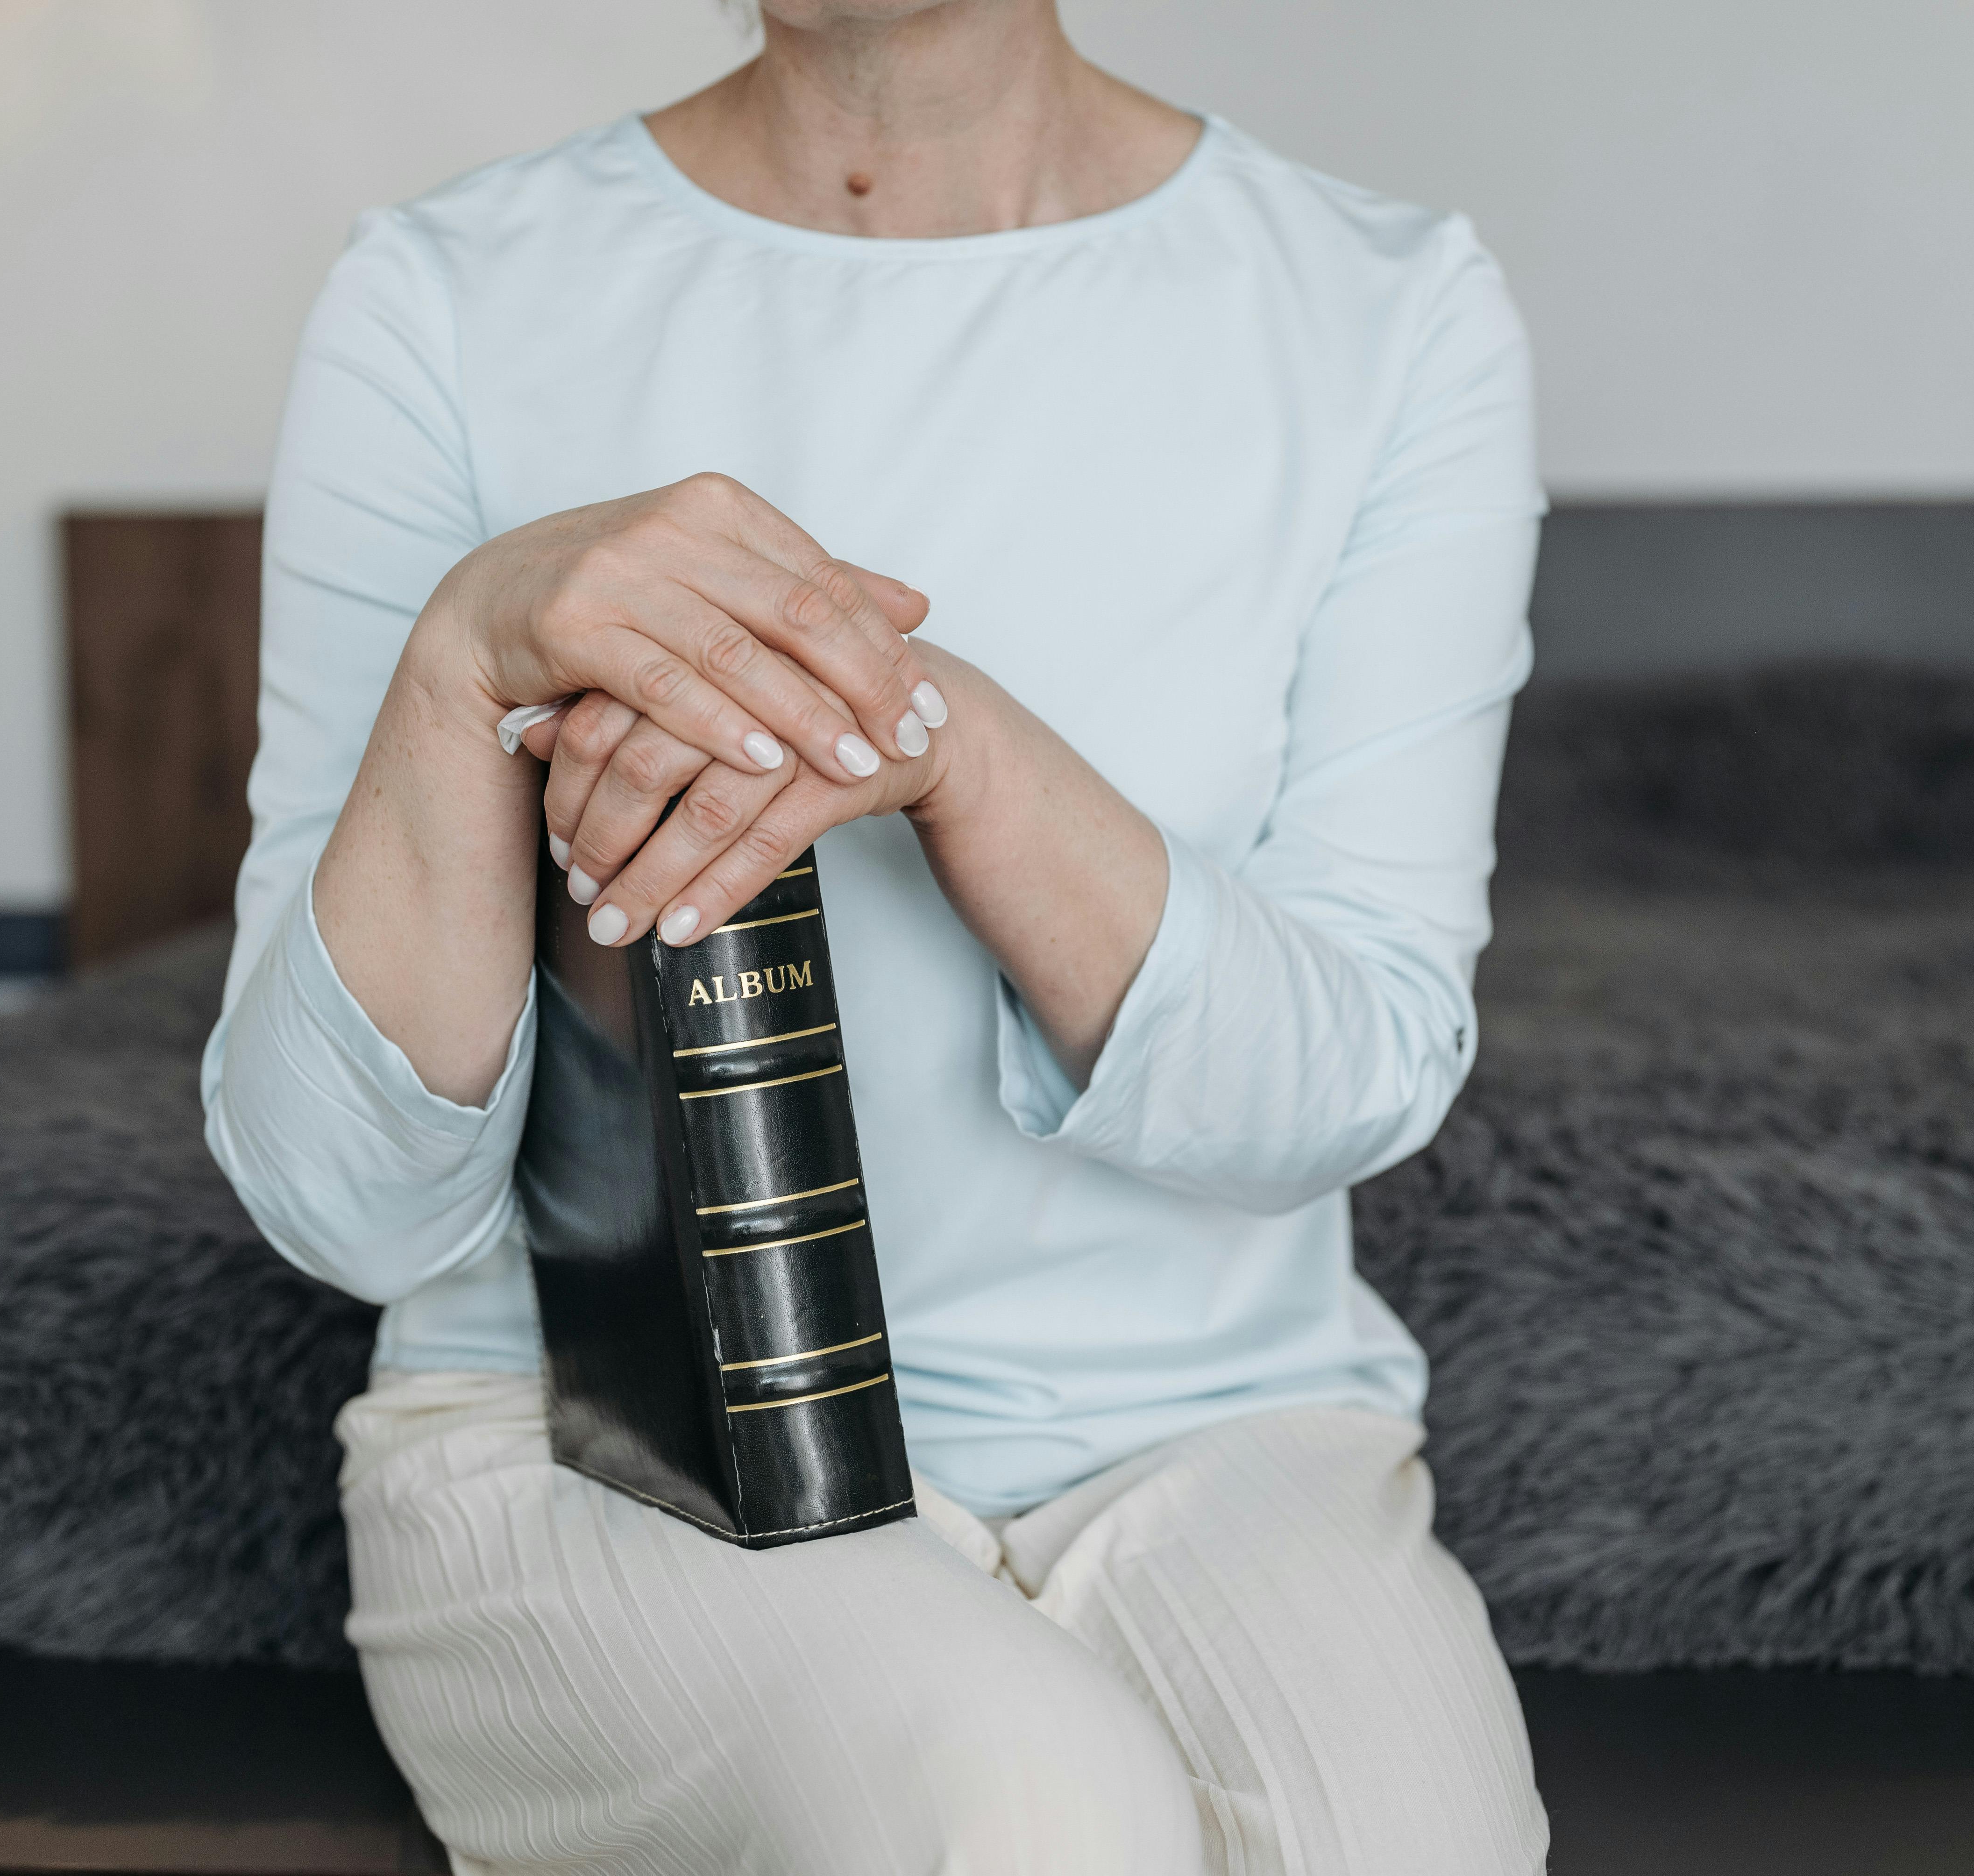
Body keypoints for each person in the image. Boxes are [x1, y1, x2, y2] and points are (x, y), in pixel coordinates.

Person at [203, 1, 1548, 1869]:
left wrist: (949, 750)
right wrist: (459, 657)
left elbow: (1350, 1080)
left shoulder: (1386, 306)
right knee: (1029, 1811)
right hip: (602, 1427)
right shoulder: (441, 295)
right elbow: (339, 1203)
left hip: (1216, 1431)